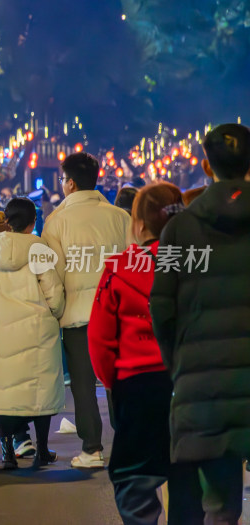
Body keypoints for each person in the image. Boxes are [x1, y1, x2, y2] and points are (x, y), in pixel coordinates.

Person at [150, 123, 250, 523]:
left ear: (206, 166)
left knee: (220, 507)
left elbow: (163, 309)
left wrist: (180, 365)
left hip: (203, 383)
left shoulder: (180, 229)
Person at [88, 182, 200, 524]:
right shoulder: (198, 264)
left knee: (133, 480)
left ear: (138, 224)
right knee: (190, 481)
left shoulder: (119, 267)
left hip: (137, 387)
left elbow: (100, 338)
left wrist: (114, 382)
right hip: (192, 386)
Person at [42, 152, 131, 468]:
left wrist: (56, 308)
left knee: (82, 383)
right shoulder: (120, 217)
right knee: (118, 380)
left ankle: (92, 449)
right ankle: (126, 445)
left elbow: (50, 273)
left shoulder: (56, 222)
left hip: (78, 316)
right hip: (119, 314)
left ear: (70, 183)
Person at [0, 198, 65, 469]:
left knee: (4, 392)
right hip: (36, 330)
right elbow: (53, 291)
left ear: (7, 220)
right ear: (33, 221)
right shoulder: (38, 247)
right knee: (39, 391)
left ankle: (7, 452)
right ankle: (41, 450)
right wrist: (54, 312)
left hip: (0, 328)